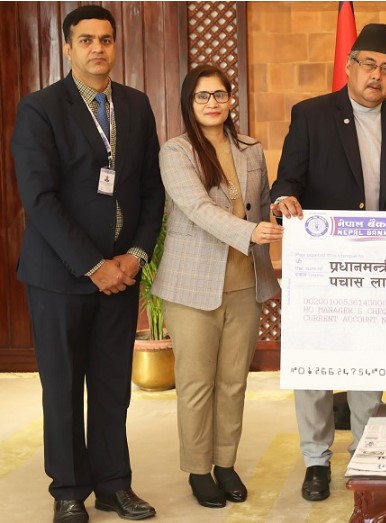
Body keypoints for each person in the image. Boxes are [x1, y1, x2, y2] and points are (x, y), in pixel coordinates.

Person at [11, 5, 163, 522]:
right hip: (60, 276)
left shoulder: (136, 105)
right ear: (68, 47)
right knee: (62, 388)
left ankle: (114, 485)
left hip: (121, 274)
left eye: (106, 39)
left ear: (115, 45)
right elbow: (40, 199)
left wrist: (134, 256)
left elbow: (150, 189)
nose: (98, 48)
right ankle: (69, 491)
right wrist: (93, 265)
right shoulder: (41, 108)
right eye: (86, 40)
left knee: (111, 387)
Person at [271, 23, 386, 502]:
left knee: (370, 362)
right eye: (368, 65)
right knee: (315, 367)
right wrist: (283, 200)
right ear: (349, 65)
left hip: (382, 267)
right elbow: (287, 180)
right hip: (323, 264)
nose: (376, 76)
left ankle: (364, 455)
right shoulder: (312, 115)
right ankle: (316, 460)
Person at [152, 64, 282, 509]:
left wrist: (282, 211)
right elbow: (196, 208)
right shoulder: (176, 151)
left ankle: (225, 464)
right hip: (191, 287)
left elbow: (263, 203)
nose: (212, 103)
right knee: (196, 385)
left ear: (231, 99)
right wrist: (250, 232)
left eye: (219, 95)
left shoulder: (250, 148)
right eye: (202, 96)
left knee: (233, 383)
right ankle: (198, 469)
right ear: (189, 103)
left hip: (245, 284)